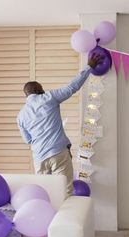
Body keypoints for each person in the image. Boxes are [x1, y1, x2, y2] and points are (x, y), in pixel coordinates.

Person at [17, 54, 102, 195]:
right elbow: (72, 87)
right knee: (65, 191)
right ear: (39, 90)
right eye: (42, 88)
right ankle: (65, 217)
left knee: (44, 192)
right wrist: (89, 67)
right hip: (58, 153)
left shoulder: (20, 116)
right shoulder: (49, 98)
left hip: (39, 157)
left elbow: (28, 140)